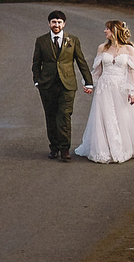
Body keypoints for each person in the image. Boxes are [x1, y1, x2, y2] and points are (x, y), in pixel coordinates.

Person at [74, 19, 134, 163]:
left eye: (107, 29)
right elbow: (97, 71)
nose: (105, 31)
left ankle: (125, 146)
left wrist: (131, 91)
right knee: (105, 117)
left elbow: (132, 72)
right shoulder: (102, 48)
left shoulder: (129, 49)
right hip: (104, 88)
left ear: (115, 30)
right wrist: (89, 84)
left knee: (123, 116)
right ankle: (106, 148)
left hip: (121, 87)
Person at [31, 10, 93, 162]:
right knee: (50, 116)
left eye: (59, 22)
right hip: (47, 85)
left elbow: (81, 61)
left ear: (64, 24)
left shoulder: (72, 40)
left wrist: (88, 81)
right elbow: (36, 63)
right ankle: (54, 148)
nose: (56, 25)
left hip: (67, 85)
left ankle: (65, 149)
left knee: (64, 116)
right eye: (53, 22)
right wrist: (37, 81)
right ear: (49, 24)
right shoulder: (41, 41)